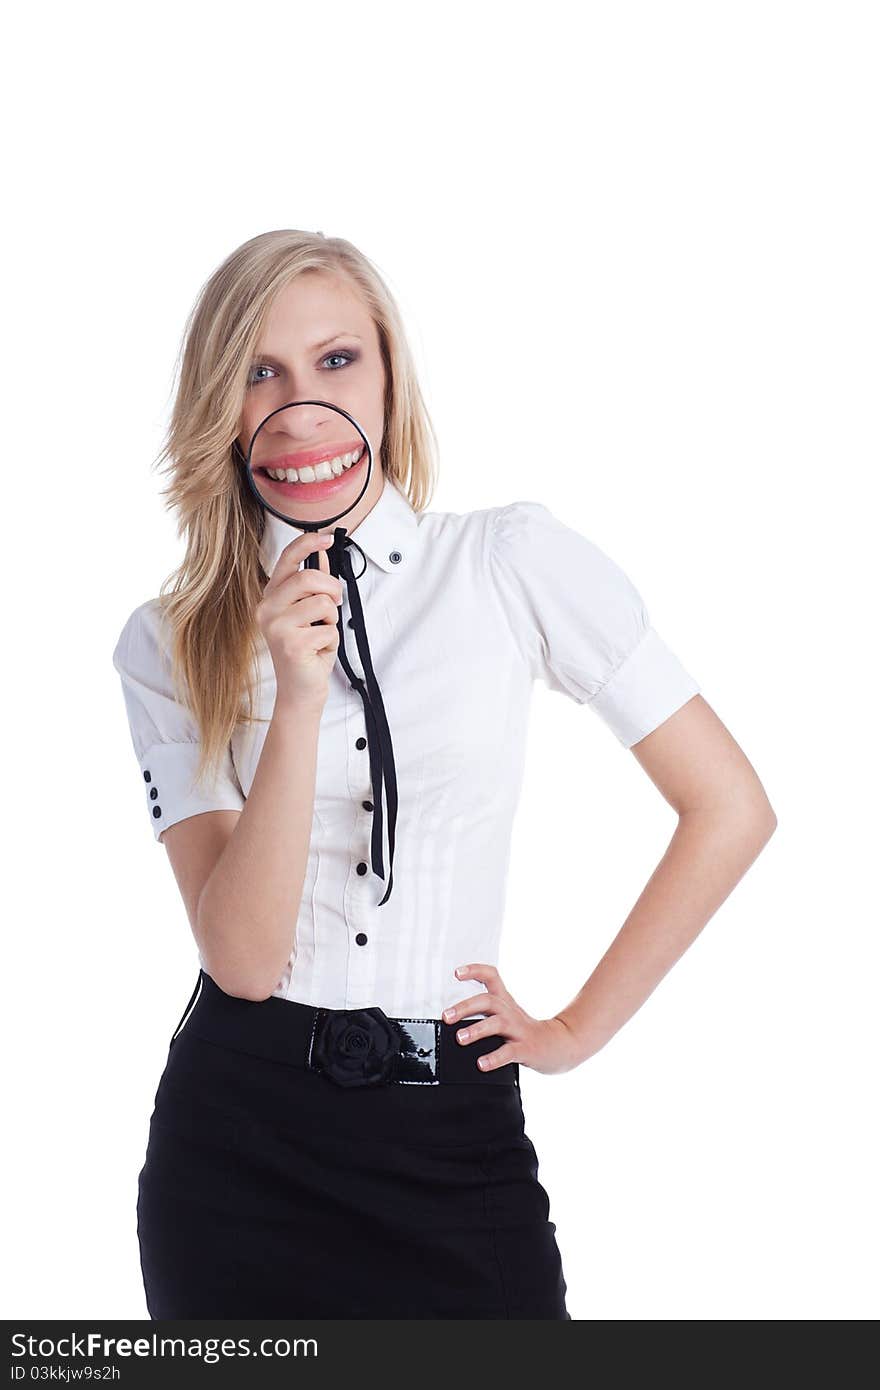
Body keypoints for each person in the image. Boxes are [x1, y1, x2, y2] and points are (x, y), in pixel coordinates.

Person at [112, 229, 777, 1320]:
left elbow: (729, 806)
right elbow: (239, 958)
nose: (301, 403)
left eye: (336, 361)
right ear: (220, 408)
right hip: (238, 1147)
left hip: (454, 1141)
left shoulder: (508, 565)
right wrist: (292, 691)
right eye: (259, 373)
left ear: (387, 376)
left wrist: (573, 1031)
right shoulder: (168, 642)